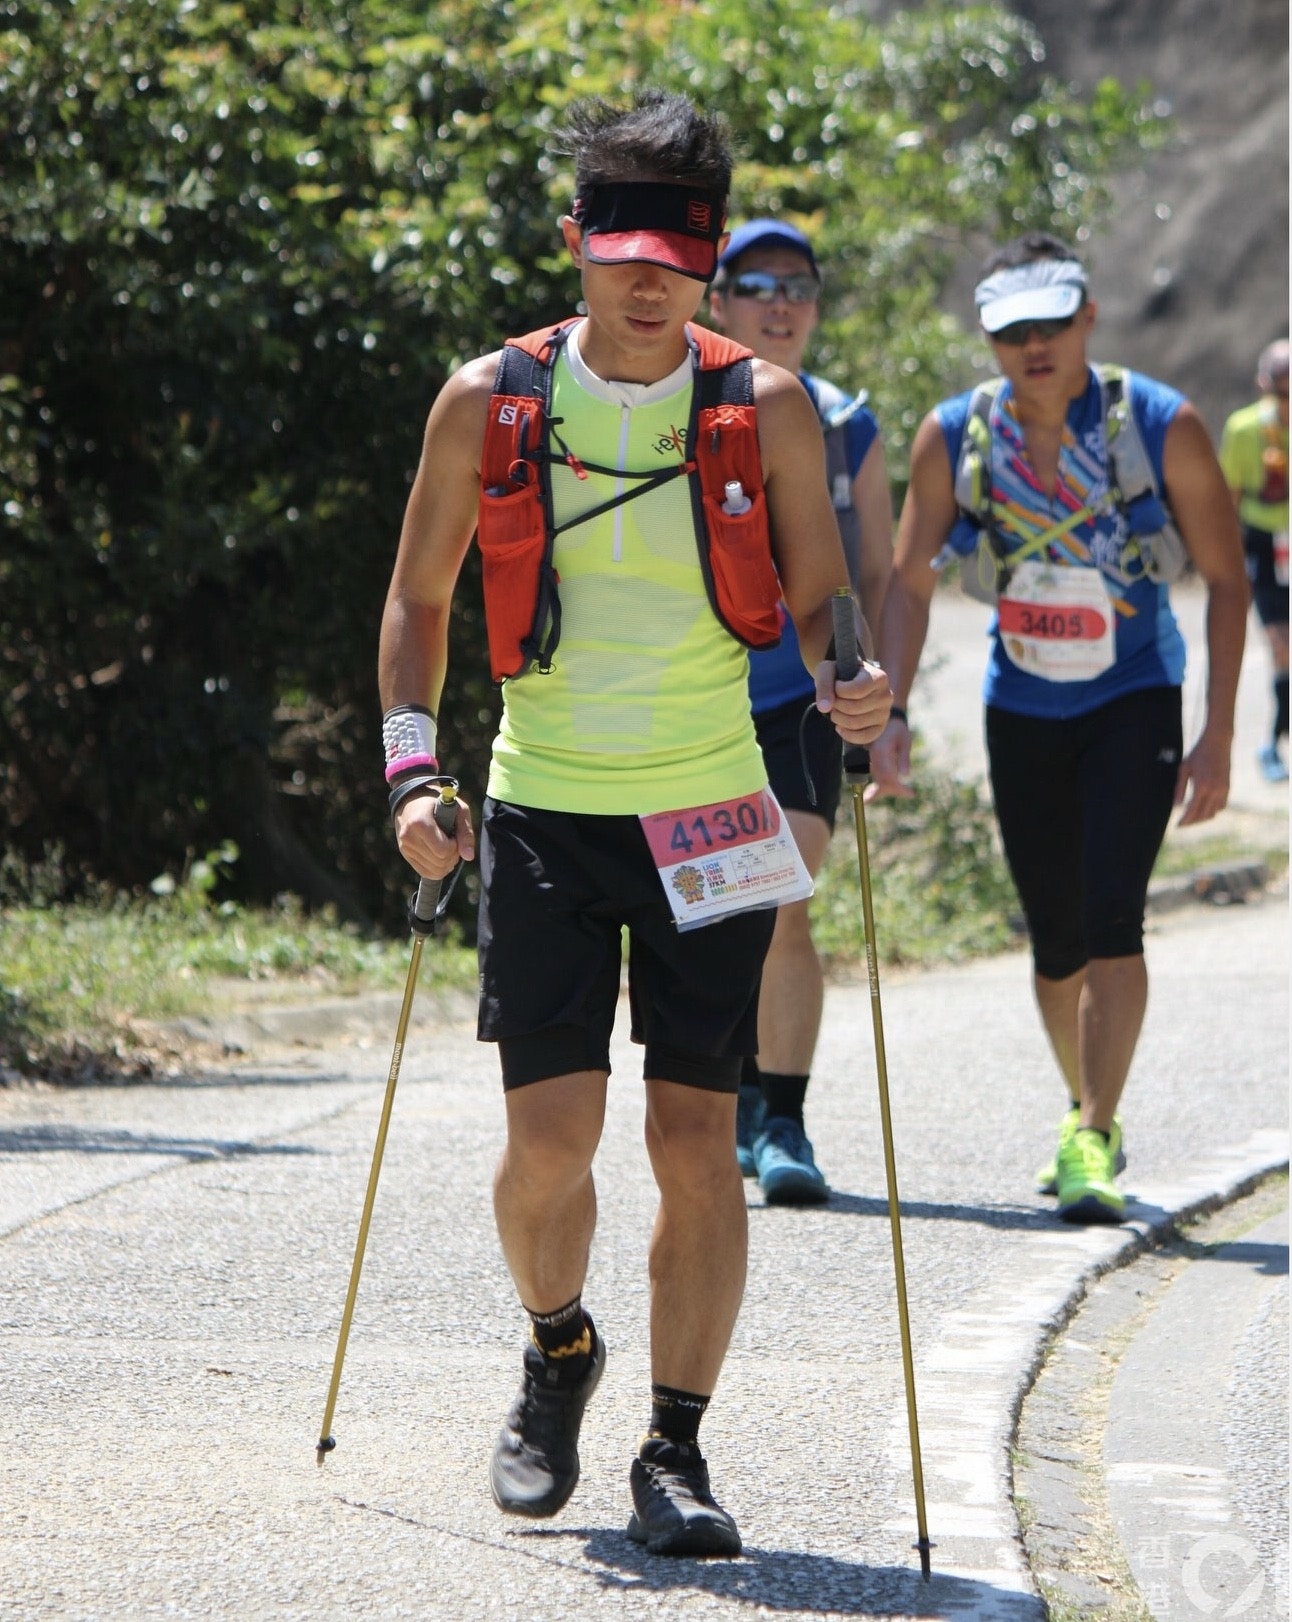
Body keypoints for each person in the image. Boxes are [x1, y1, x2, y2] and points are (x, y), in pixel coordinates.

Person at [377, 91, 892, 1557]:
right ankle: (555, 1352)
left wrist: (851, 677)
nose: (648, 275)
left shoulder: (764, 406)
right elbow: (419, 603)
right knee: (549, 1142)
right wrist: (415, 774)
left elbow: (821, 598)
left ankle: (674, 1446)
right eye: (622, 247)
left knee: (693, 1139)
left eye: (678, 249)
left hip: (712, 809)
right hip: (543, 806)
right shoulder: (488, 399)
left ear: (710, 256)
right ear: (575, 245)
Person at [868, 232, 1248, 1226]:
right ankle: (1085, 1109)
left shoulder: (1160, 423)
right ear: (989, 338)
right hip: (1020, 700)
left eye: (1050, 324)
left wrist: (1213, 735)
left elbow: (1225, 574)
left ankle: (1091, 1127)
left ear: (1086, 318)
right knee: (1051, 937)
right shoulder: (954, 434)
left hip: (1133, 694)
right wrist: (891, 714)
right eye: (1010, 331)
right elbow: (907, 580)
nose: (1032, 346)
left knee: (1111, 911)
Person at [708, 220, 893, 1204]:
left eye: (798, 286)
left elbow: (876, 574)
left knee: (781, 895)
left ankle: (781, 1114)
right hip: (689, 708)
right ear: (717, 301)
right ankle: (730, 1089)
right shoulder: (675, 414)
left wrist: (878, 700)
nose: (779, 303)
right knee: (713, 910)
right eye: (754, 284)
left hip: (801, 700)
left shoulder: (845, 425)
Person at [1219, 339, 1290, 782]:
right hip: (1266, 545)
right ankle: (1273, 742)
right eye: (1282, 392)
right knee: (1280, 646)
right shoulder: (1245, 430)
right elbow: (1230, 499)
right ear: (1263, 386)